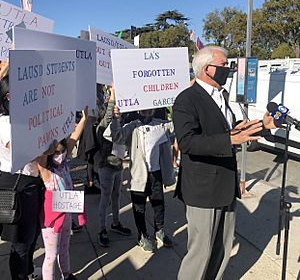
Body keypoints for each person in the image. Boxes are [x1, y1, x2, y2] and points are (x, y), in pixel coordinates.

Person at [173, 46, 275, 280]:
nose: (228, 70)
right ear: (207, 68)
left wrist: (262, 126)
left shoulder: (222, 96)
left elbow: (230, 131)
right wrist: (230, 138)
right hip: (203, 190)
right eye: (224, 65)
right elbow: (188, 142)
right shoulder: (186, 99)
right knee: (201, 253)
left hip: (226, 186)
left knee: (221, 250)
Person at [110, 107, 176, 252]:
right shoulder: (132, 127)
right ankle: (142, 236)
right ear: (138, 110)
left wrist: (179, 108)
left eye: (150, 110)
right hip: (138, 175)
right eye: (144, 110)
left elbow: (178, 125)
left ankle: (160, 230)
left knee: (159, 205)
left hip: (156, 173)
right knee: (139, 207)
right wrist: (115, 118)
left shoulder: (161, 125)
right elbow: (115, 136)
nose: (147, 112)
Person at [0, 69, 44, 279]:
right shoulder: (5, 122)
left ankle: (27, 271)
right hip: (17, 186)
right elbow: (21, 149)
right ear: (8, 96)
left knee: (32, 235)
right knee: (20, 242)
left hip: (33, 184)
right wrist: (50, 148)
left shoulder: (27, 118)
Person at [36, 107, 88, 280]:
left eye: (62, 151)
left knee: (65, 249)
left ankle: (67, 274)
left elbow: (73, 138)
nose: (60, 155)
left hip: (65, 215)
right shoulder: (46, 170)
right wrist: (47, 151)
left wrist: (84, 119)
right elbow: (42, 160)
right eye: (56, 153)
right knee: (51, 255)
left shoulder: (64, 163)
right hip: (51, 220)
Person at [96, 84, 131, 247]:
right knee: (105, 197)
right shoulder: (102, 126)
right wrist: (114, 92)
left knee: (117, 195)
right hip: (106, 166)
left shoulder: (119, 123)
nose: (117, 113)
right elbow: (110, 113)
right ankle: (102, 228)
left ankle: (116, 223)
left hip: (117, 165)